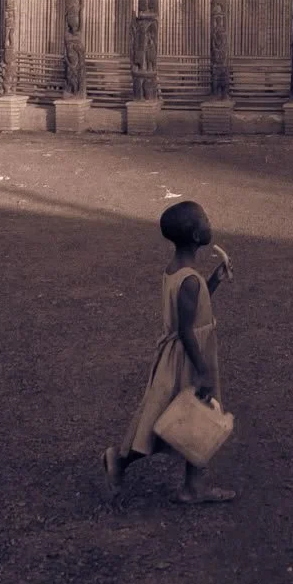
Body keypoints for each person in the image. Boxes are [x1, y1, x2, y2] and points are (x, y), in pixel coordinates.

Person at [103, 199, 236, 504]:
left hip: (183, 352)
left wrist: (214, 280)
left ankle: (193, 486)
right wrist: (202, 370)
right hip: (188, 357)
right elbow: (187, 329)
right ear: (194, 235)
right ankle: (119, 460)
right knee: (166, 421)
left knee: (195, 418)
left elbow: (191, 309)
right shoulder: (188, 280)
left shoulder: (181, 272)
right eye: (205, 220)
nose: (209, 224)